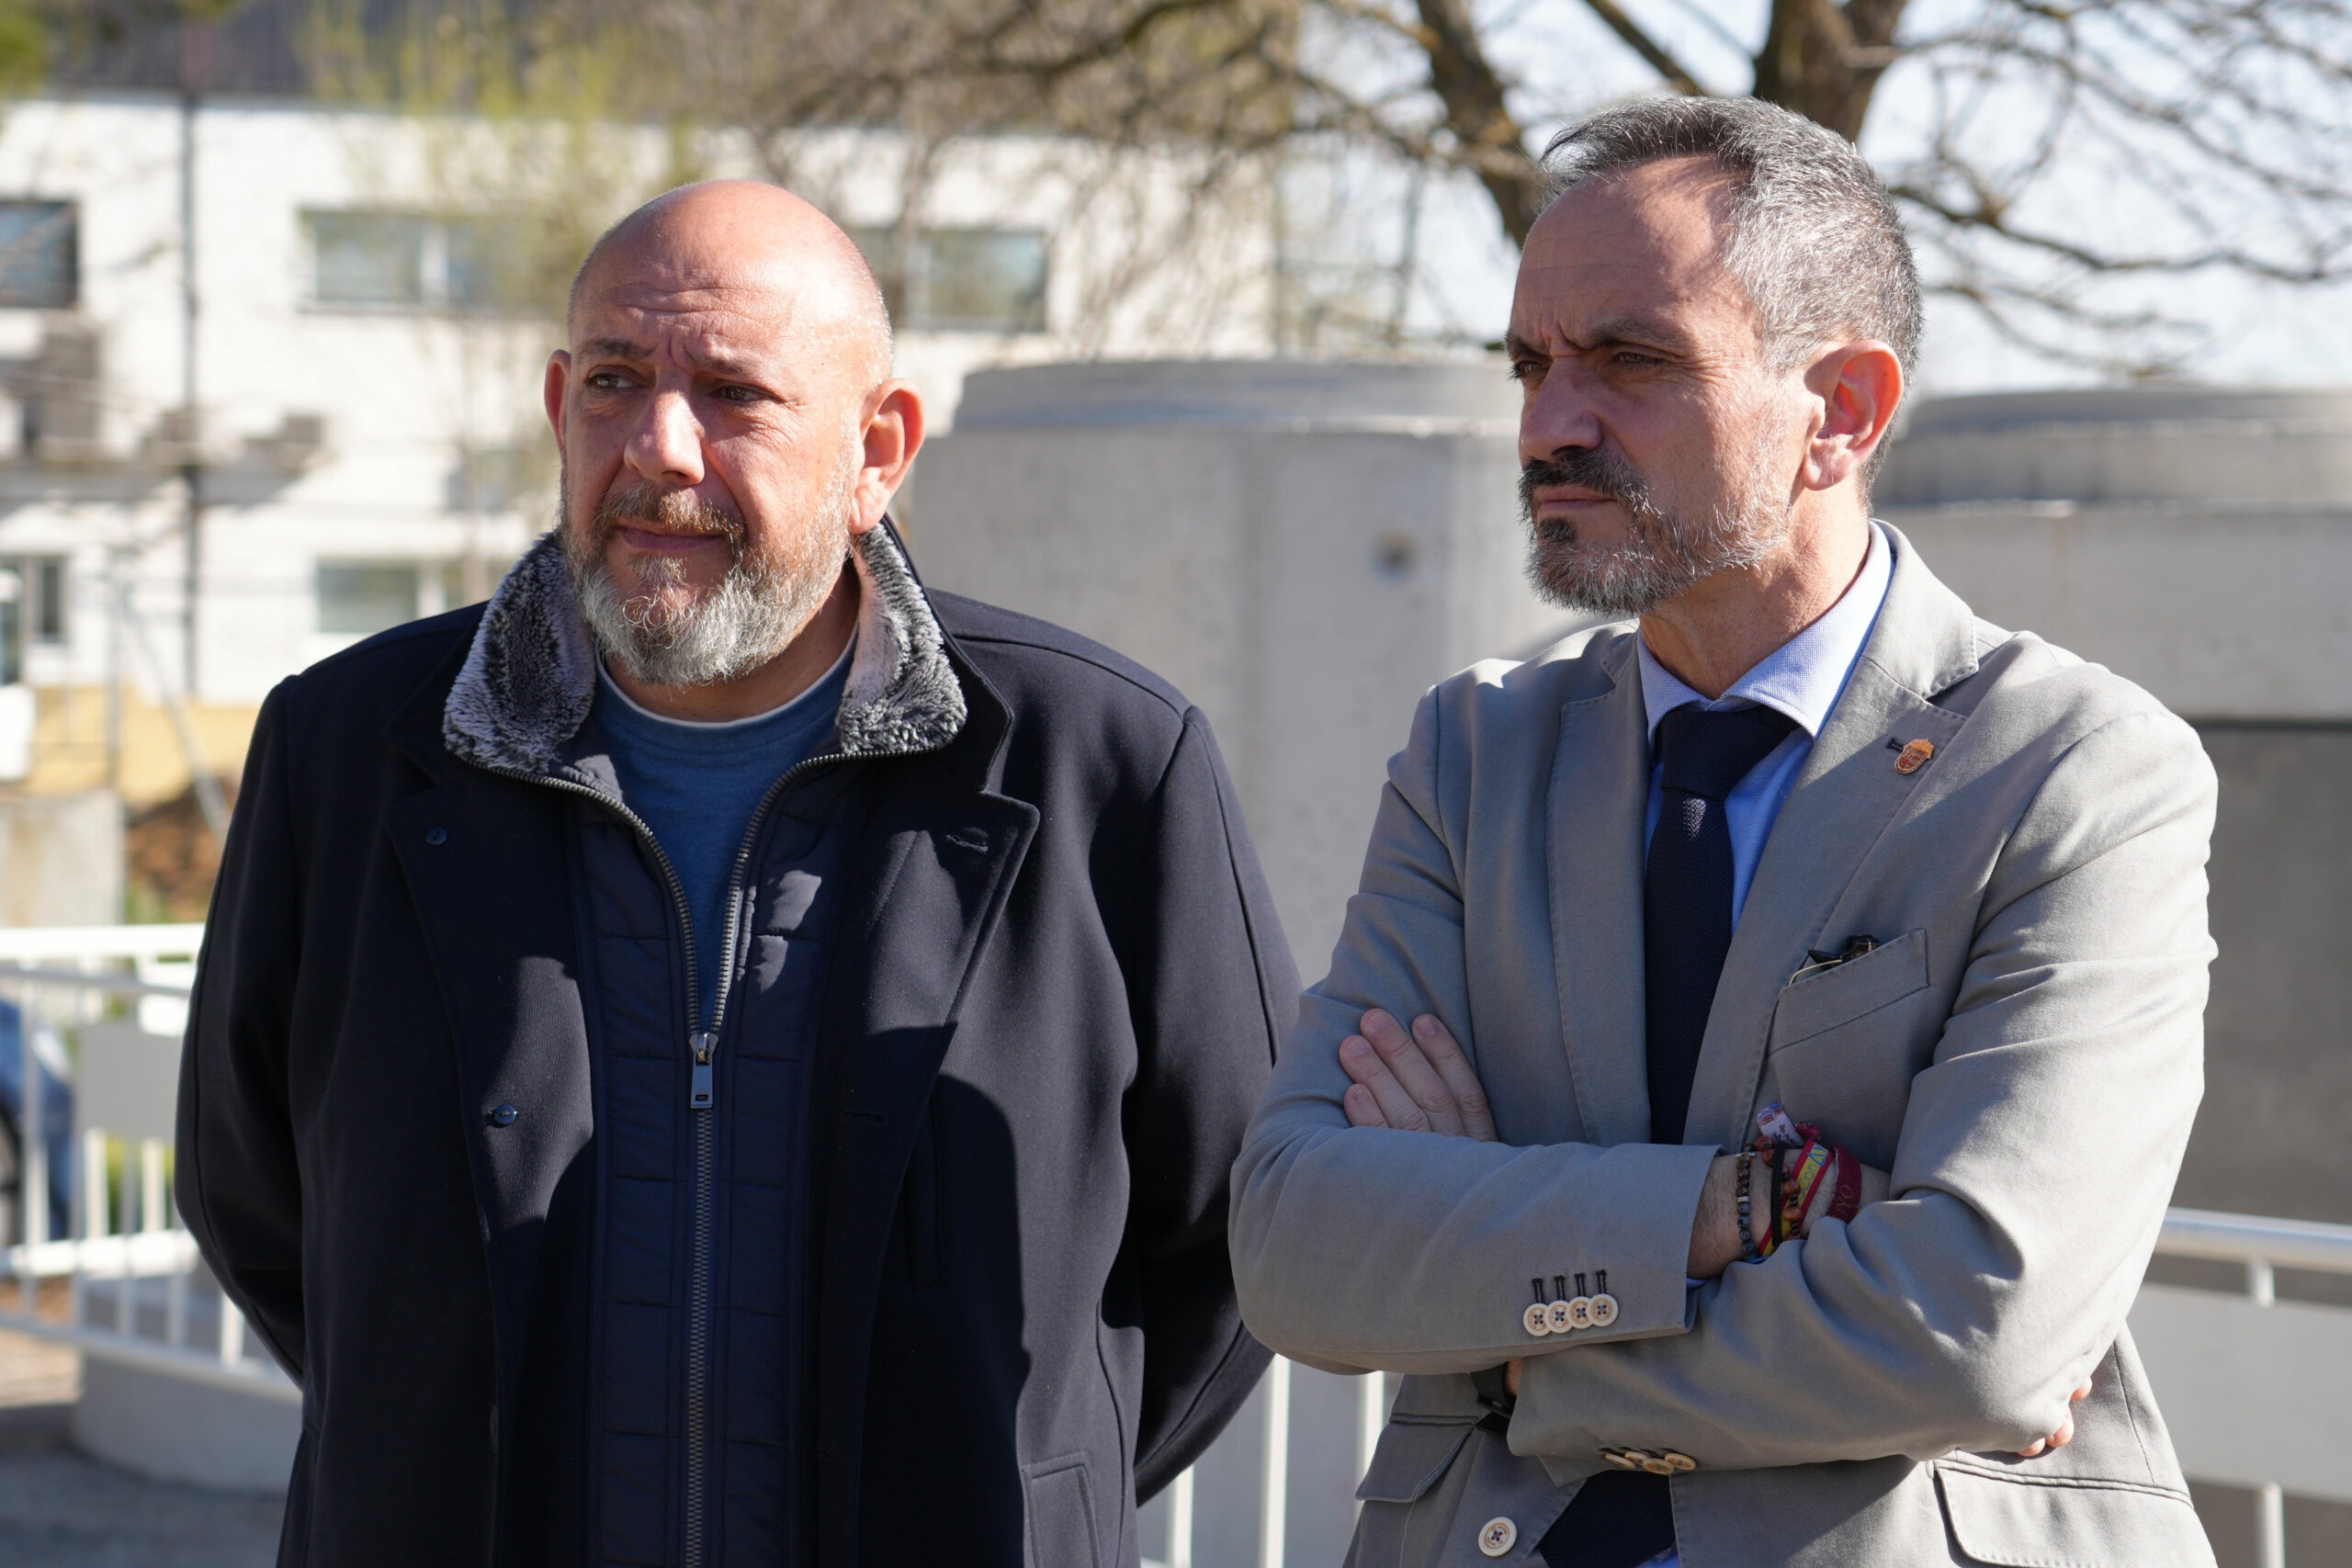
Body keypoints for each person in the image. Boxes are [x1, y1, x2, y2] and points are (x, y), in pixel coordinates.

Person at [177, 180, 1295, 1567]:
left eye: (733, 393)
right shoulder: (353, 751)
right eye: (615, 380)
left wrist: (1005, 1476)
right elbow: (254, 1204)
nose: (659, 446)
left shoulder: (1097, 764)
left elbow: (1242, 1230)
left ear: (878, 447)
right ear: (555, 408)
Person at [1230, 97, 2219, 1568]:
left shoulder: (2073, 768)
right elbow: (1302, 1246)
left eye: (1631, 360)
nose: (1552, 423)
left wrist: (1517, 1350)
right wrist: (1734, 1209)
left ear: (1845, 411)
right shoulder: (1475, 752)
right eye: (1531, 364)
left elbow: (1981, 1333)